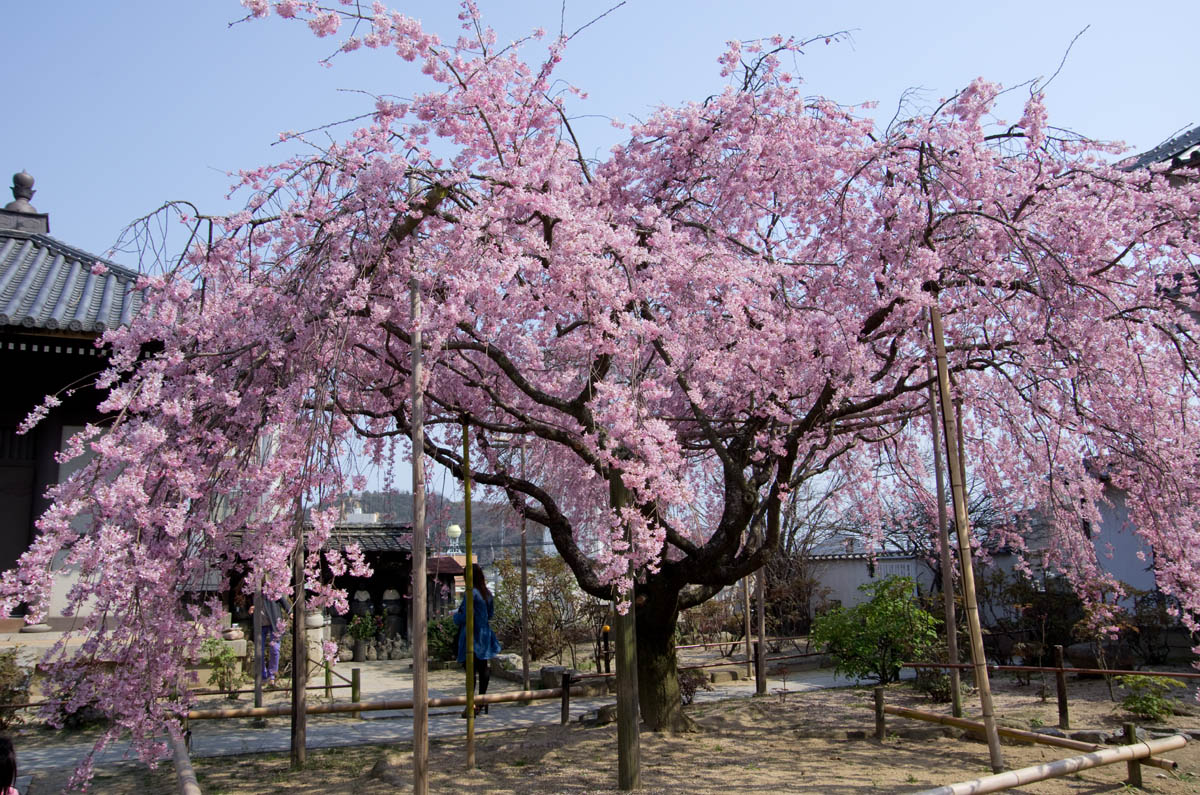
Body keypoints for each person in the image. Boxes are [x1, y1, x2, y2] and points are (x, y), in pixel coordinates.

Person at [453, 563, 501, 715]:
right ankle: (482, 700)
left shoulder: (470, 593)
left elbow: (465, 616)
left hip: (471, 634)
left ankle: (472, 704)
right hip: (484, 633)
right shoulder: (487, 593)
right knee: (483, 667)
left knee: (470, 670)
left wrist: (455, 617)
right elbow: (491, 614)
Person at [251, 594, 292, 685]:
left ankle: (272, 675)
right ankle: (262, 676)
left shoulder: (272, 589)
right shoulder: (254, 591)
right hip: (260, 624)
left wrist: (290, 612)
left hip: (274, 623)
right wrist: (251, 609)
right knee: (259, 651)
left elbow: (283, 600)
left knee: (275, 649)